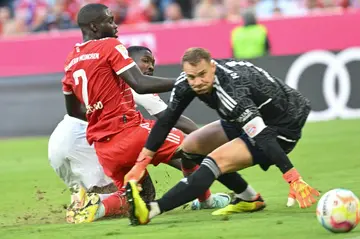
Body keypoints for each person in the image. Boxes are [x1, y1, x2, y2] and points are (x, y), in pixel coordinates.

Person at [61, 4, 231, 223]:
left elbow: (73, 111)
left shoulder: (70, 60)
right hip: (130, 132)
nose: (115, 25)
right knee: (192, 146)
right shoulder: (110, 46)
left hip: (104, 147)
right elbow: (139, 84)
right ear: (94, 26)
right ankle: (206, 200)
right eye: (109, 20)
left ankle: (94, 208)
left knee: (138, 197)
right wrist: (185, 81)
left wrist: (101, 117)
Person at [124, 47, 321, 225]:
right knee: (190, 146)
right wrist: (140, 164)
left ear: (213, 67)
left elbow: (263, 136)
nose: (198, 82)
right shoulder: (187, 82)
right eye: (192, 77)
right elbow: (167, 121)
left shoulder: (231, 92)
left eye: (202, 75)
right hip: (251, 115)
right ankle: (249, 199)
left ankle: (152, 210)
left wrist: (293, 177)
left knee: (213, 161)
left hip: (283, 125)